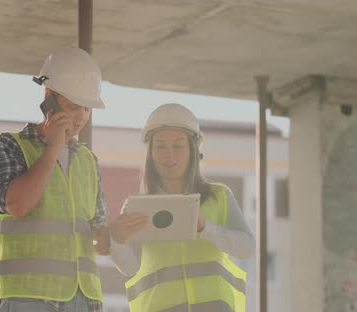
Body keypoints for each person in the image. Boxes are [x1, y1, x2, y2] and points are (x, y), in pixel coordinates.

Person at [0, 47, 111, 312]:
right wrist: (52, 148)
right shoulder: (8, 146)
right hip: (28, 299)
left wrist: (120, 233)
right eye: (74, 106)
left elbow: (99, 237)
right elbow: (18, 205)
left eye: (86, 109)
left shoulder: (88, 161)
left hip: (85, 300)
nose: (81, 118)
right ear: (48, 98)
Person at [109, 103, 255, 312]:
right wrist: (118, 241)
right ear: (150, 153)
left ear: (193, 150)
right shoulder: (135, 207)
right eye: (160, 146)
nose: (169, 155)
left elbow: (247, 248)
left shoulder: (219, 197)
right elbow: (129, 268)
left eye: (178, 146)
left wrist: (206, 228)